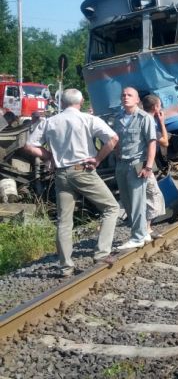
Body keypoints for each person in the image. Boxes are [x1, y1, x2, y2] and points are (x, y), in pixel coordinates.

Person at [23, 88, 120, 276]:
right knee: (111, 208)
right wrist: (98, 159)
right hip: (82, 171)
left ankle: (65, 266)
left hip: (61, 174)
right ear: (81, 101)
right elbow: (113, 139)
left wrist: (49, 155)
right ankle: (101, 253)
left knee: (64, 222)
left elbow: (29, 146)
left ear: (63, 103)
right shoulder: (88, 119)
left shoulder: (50, 122)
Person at [113, 87, 156, 250]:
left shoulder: (144, 118)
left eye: (129, 95)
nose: (125, 97)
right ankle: (143, 231)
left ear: (137, 100)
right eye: (123, 95)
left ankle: (137, 236)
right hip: (121, 164)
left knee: (138, 201)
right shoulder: (118, 118)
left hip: (137, 163)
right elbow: (115, 140)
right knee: (126, 200)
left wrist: (149, 166)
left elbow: (152, 142)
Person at [141, 94, 168, 236]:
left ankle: (145, 228)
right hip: (145, 165)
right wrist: (162, 122)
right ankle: (146, 229)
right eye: (160, 105)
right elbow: (165, 141)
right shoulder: (149, 121)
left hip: (138, 163)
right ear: (156, 107)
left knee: (145, 195)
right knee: (153, 196)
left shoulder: (138, 118)